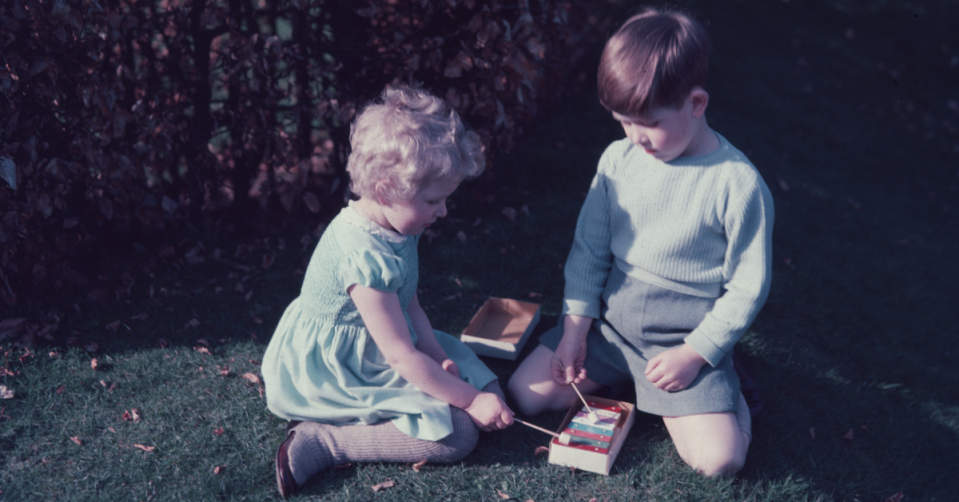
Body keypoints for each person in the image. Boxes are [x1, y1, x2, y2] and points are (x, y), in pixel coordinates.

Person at [507, 8, 773, 477]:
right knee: (526, 393)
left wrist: (695, 354)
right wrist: (574, 332)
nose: (634, 137)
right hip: (610, 335)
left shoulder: (738, 185)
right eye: (622, 122)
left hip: (681, 343)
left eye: (646, 123)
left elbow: (747, 288)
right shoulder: (618, 160)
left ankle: (730, 393)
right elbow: (589, 253)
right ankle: (631, 383)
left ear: (696, 103)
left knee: (719, 461)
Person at [261, 85, 514, 497]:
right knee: (457, 436)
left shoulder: (397, 223)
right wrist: (466, 401)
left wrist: (436, 352)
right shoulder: (363, 256)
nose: (444, 212)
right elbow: (399, 355)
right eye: (435, 200)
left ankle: (464, 396)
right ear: (385, 190)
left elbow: (408, 300)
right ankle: (324, 441)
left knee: (487, 389)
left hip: (389, 342)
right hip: (343, 366)